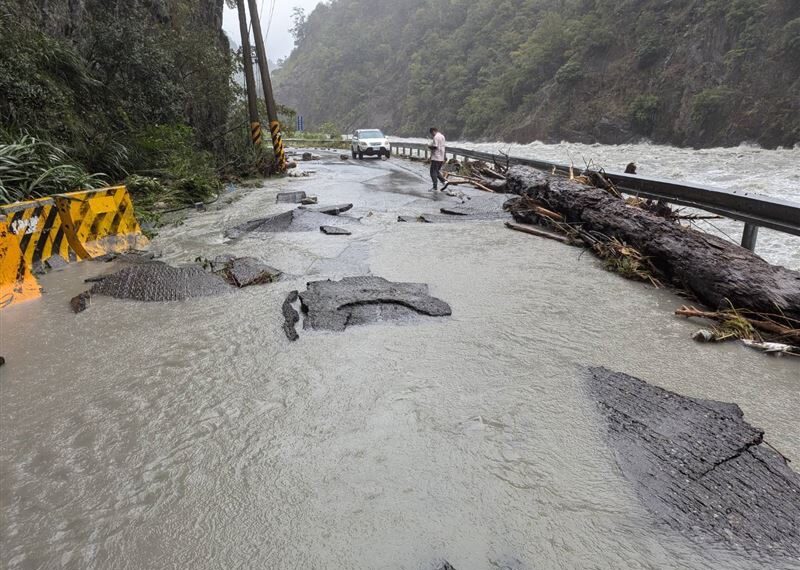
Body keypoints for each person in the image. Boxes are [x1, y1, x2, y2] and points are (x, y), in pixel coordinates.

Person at [427, 127, 450, 195]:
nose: (432, 135)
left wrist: (429, 146)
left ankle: (435, 187)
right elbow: (442, 146)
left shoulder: (436, 137)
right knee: (436, 171)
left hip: (436, 157)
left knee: (432, 172)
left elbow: (435, 146)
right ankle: (444, 182)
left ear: (433, 131)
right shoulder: (442, 136)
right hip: (441, 157)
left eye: (432, 133)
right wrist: (445, 157)